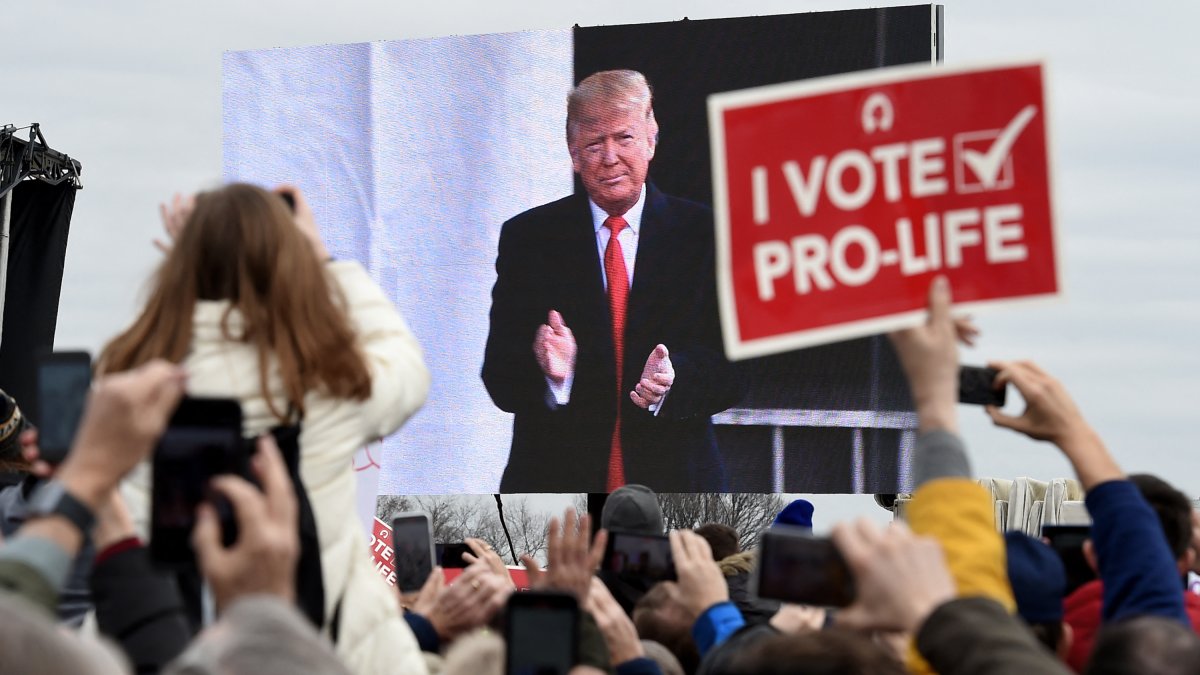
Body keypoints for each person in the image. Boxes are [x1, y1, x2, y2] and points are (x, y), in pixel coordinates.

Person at [98, 184, 431, 674]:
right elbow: (407, 370)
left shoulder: (131, 386)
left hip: (173, 647)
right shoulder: (324, 383)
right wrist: (324, 261)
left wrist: (196, 266)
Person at [482, 69, 743, 492]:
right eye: (593, 143)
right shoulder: (528, 238)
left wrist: (675, 381)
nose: (609, 157)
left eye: (624, 138)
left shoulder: (706, 234)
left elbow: (735, 369)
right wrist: (552, 375)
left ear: (651, 139)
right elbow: (499, 375)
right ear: (573, 154)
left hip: (678, 484)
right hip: (555, 488)